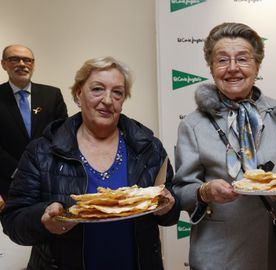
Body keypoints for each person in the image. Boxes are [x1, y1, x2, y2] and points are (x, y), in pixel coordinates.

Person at [1, 56, 181, 270]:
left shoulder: (148, 147)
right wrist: (44, 219)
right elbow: (14, 222)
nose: (107, 100)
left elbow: (171, 214)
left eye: (117, 92)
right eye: (97, 89)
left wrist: (168, 206)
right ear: (78, 94)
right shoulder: (42, 151)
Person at [172, 22, 276, 270]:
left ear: (257, 66)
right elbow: (181, 190)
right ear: (212, 69)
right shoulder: (193, 125)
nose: (232, 68)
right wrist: (204, 192)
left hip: (269, 252)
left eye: (242, 59)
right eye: (222, 60)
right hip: (216, 252)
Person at [0, 44, 68, 208]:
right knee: (18, 229)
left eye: (27, 60)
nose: (22, 64)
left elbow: (63, 134)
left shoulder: (52, 95)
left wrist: (45, 166)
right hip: (9, 181)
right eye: (14, 59)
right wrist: (18, 170)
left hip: (49, 178)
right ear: (3, 64)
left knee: (51, 226)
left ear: (33, 64)